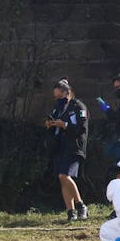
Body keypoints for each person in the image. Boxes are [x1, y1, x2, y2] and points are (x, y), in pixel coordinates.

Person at [45, 78, 89, 222]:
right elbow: (54, 123)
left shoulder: (79, 107)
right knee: (62, 178)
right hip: (60, 146)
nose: (57, 99)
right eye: (55, 97)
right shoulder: (58, 109)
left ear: (67, 93)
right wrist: (51, 124)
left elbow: (82, 128)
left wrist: (65, 125)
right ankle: (71, 212)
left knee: (64, 175)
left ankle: (81, 205)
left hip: (74, 146)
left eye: (60, 96)